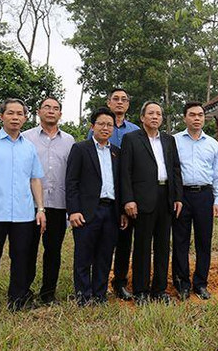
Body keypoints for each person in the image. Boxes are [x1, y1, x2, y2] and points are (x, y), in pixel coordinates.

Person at [0, 99, 46, 314]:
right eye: (10, 113)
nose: (15, 117)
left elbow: (35, 179)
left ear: (24, 118)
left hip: (23, 215)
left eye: (19, 114)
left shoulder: (29, 147)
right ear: (1, 116)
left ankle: (17, 301)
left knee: (21, 259)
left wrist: (40, 209)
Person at [121, 102, 183, 304]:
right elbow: (125, 172)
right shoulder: (131, 139)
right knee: (142, 246)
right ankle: (140, 291)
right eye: (151, 113)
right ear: (142, 117)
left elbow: (175, 170)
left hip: (166, 196)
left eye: (158, 114)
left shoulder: (168, 140)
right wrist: (128, 199)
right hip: (142, 198)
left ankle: (160, 290)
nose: (155, 117)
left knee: (163, 246)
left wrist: (178, 197)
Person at [65, 107, 124, 306]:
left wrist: (122, 210)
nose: (106, 128)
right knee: (84, 255)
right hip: (87, 211)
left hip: (111, 210)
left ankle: (99, 295)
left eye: (109, 125)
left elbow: (121, 183)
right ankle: (83, 295)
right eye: (101, 124)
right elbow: (71, 182)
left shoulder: (117, 152)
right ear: (92, 127)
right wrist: (73, 210)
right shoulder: (80, 149)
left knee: (105, 255)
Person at [88, 88, 140, 301]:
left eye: (124, 99)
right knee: (99, 241)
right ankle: (95, 282)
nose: (119, 103)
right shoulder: (97, 129)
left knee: (125, 241)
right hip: (102, 194)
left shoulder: (136, 131)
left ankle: (119, 282)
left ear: (128, 104)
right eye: (115, 99)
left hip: (127, 193)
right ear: (108, 102)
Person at [22, 97, 75, 304]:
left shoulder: (70, 141)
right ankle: (24, 292)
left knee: (53, 251)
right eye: (47, 108)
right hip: (31, 205)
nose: (51, 111)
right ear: (39, 112)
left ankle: (48, 294)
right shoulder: (26, 138)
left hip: (59, 205)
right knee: (28, 249)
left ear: (60, 114)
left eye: (55, 109)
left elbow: (72, 175)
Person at [172, 102, 218, 301]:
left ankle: (200, 283)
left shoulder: (212, 143)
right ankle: (182, 284)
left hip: (205, 196)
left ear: (204, 118)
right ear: (185, 117)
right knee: (180, 241)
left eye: (200, 115)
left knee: (204, 241)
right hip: (181, 197)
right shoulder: (174, 141)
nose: (197, 118)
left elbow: (217, 173)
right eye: (192, 115)